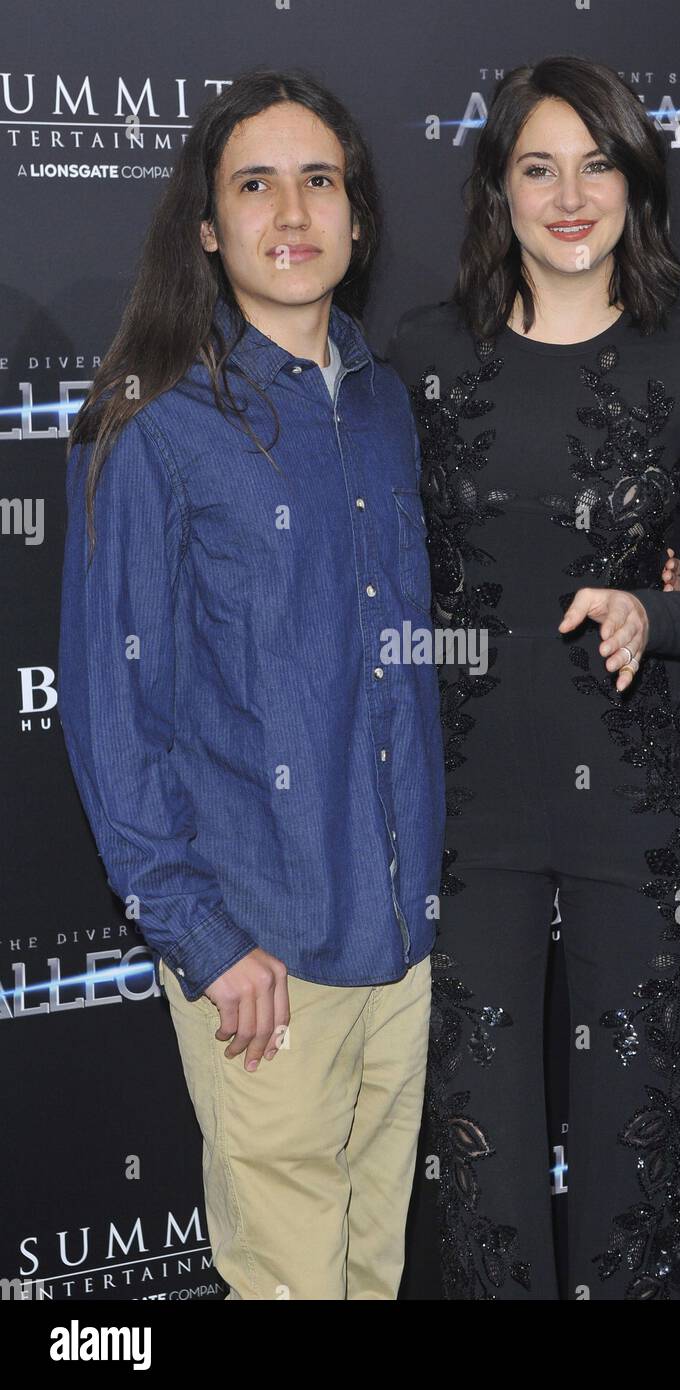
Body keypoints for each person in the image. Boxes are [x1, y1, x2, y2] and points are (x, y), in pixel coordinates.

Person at [57, 69, 445, 1301]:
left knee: (370, 1278)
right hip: (261, 960)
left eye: (318, 180)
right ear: (208, 226)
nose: (292, 209)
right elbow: (114, 713)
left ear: (357, 217)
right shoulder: (154, 421)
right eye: (255, 183)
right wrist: (207, 941)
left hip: (400, 939)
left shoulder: (382, 406)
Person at [387, 54, 680, 1300]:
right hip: (464, 815)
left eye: (594, 164)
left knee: (637, 1170)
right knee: (483, 1182)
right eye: (536, 166)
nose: (567, 194)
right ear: (496, 188)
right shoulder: (422, 358)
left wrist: (644, 611)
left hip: (637, 813)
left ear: (633, 183)